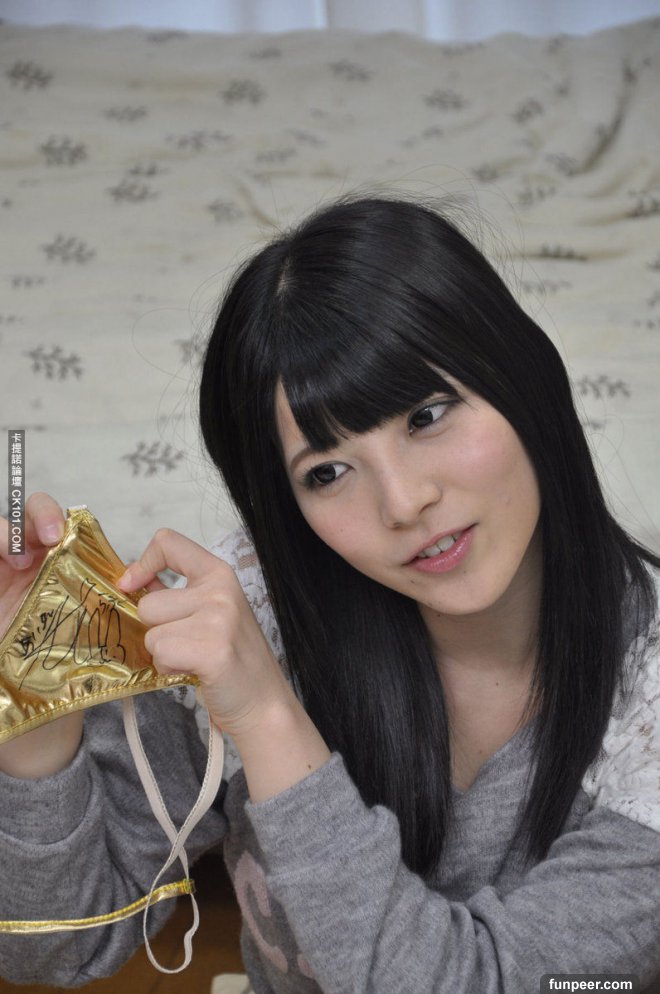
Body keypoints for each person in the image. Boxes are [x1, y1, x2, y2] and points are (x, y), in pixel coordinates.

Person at [0, 196, 658, 993]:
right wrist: (32, 690)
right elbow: (56, 947)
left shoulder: (646, 709)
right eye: (327, 472)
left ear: (526, 378)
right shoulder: (258, 618)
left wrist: (269, 719)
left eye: (428, 415)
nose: (404, 503)